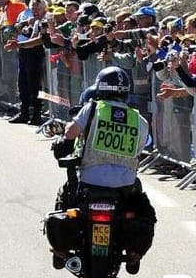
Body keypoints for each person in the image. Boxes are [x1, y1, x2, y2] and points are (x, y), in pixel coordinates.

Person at [54, 66, 156, 274]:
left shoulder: (93, 108)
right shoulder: (140, 120)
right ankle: (135, 254)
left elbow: (71, 133)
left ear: (100, 88)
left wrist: (66, 135)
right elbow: (142, 147)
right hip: (125, 187)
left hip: (90, 181)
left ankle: (60, 251)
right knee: (145, 214)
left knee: (65, 198)